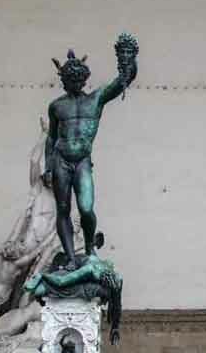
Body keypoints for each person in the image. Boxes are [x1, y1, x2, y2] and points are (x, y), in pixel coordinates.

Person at [44, 35, 138, 269]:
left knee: (86, 208)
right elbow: (51, 137)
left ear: (84, 80)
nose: (74, 84)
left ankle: (89, 249)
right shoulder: (56, 106)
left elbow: (123, 80)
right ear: (64, 81)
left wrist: (128, 59)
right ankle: (71, 258)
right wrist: (47, 166)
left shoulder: (95, 99)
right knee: (63, 209)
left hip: (82, 160)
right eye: (69, 80)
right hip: (61, 160)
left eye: (77, 80)